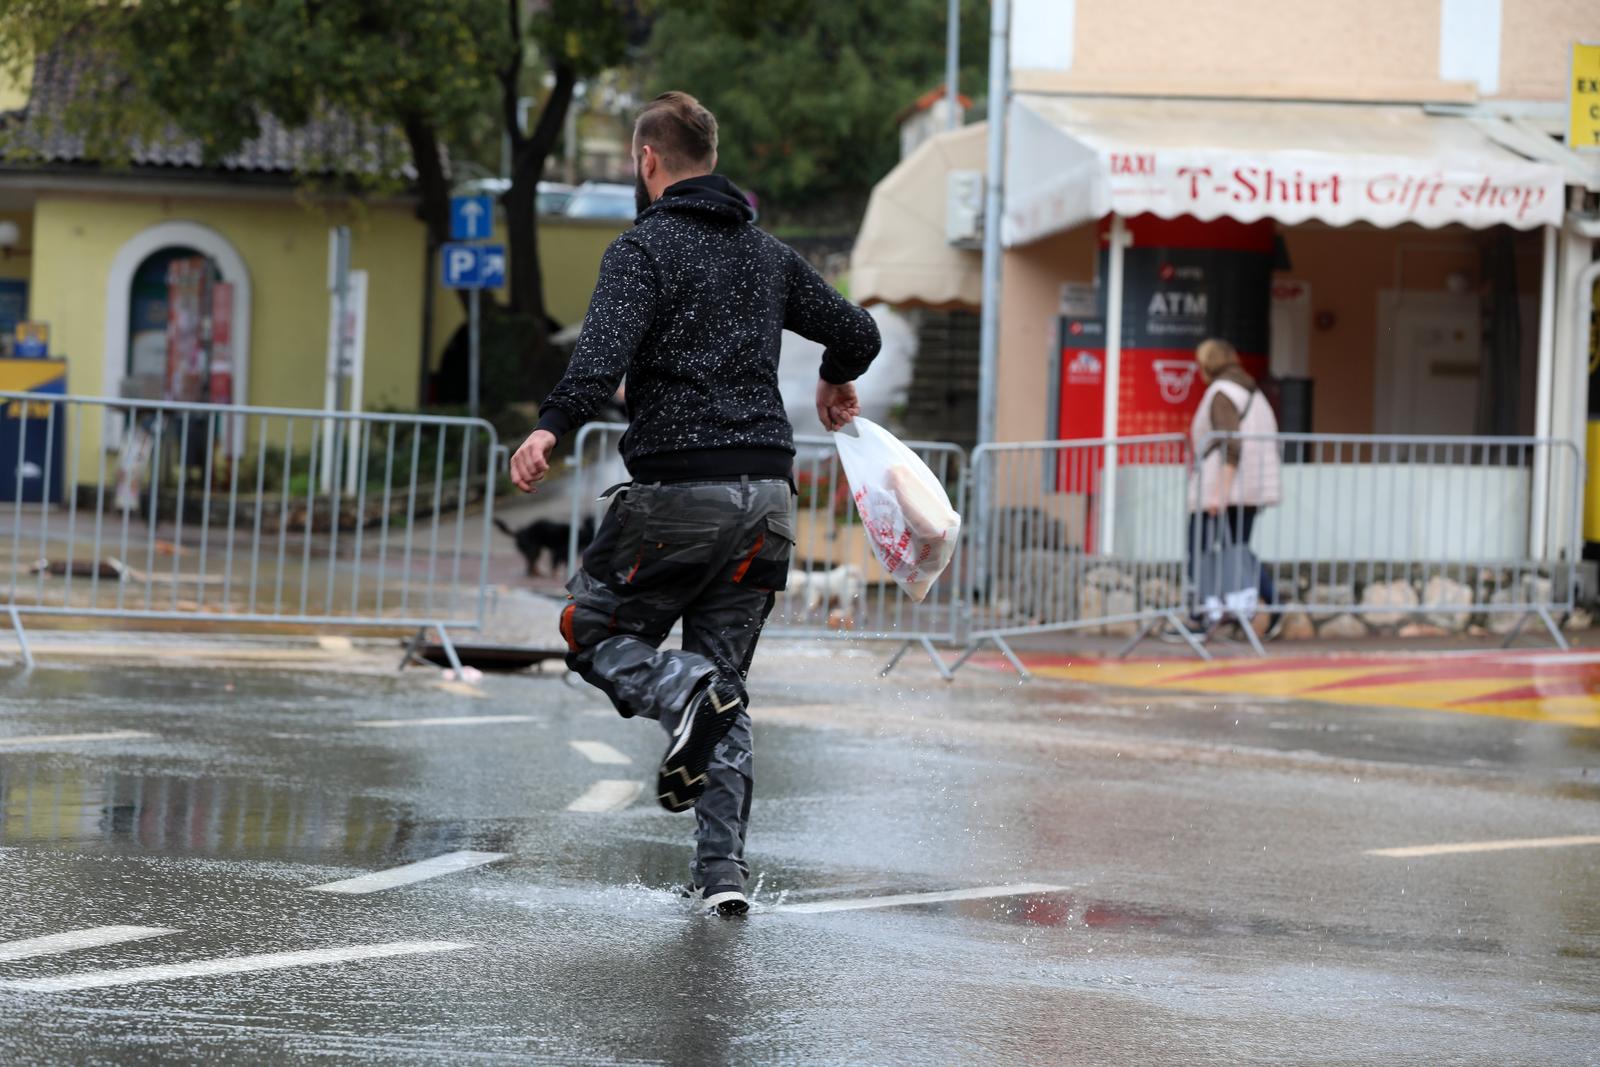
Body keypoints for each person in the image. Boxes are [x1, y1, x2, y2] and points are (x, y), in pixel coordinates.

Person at [508, 91, 881, 917]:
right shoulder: (768, 255)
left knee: (595, 627)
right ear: (708, 158)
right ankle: (722, 877)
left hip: (680, 491)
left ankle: (681, 695)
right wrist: (833, 374)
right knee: (728, 684)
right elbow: (856, 330)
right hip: (768, 500)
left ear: (649, 161)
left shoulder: (643, 249)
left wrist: (551, 428)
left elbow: (600, 353)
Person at [1185, 338, 1282, 635]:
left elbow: (1231, 445)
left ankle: (1203, 614)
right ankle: (1272, 605)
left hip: (1224, 487)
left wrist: (1219, 494)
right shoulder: (1253, 392)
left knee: (1201, 549)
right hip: (1252, 486)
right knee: (1238, 550)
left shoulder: (1222, 393)